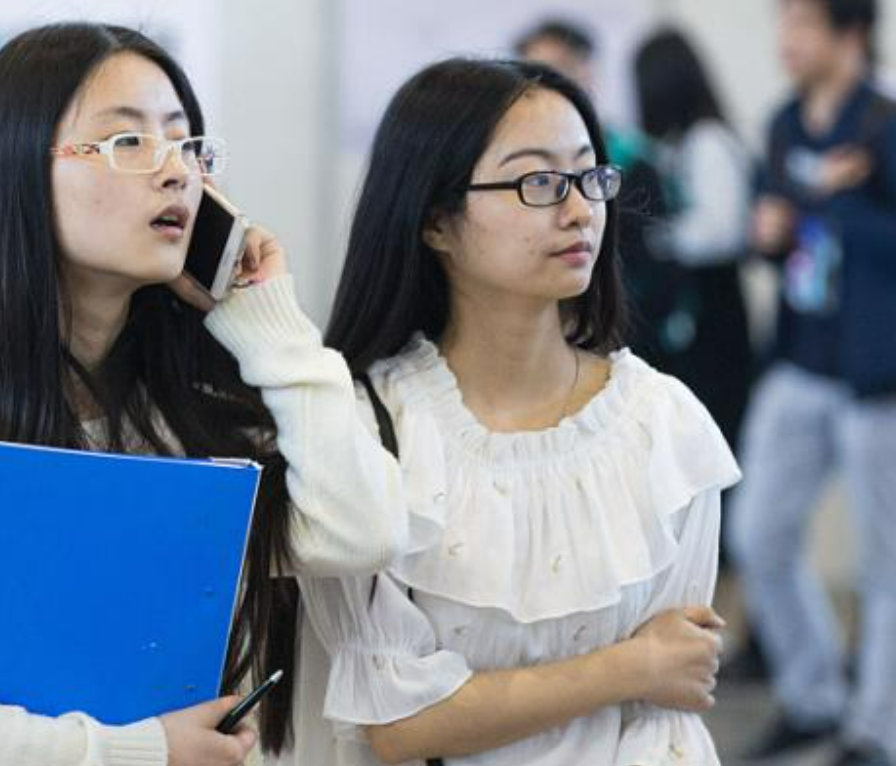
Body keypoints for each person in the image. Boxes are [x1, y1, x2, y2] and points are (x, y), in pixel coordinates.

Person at [0, 22, 409, 766]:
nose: (175, 173)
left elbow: (361, 530)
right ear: (20, 169)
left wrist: (264, 319)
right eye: (129, 141)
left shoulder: (205, 411)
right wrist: (146, 750)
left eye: (186, 145)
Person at [266, 58, 740, 766]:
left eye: (588, 176)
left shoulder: (661, 424)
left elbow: (666, 710)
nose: (579, 211)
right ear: (435, 220)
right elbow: (396, 721)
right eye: (537, 182)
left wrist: (650, 674)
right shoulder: (366, 430)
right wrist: (629, 667)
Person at [730, 1, 896, 764]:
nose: (785, 40)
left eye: (801, 23)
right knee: (756, 532)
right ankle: (813, 696)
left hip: (877, 375)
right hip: (798, 360)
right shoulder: (783, 123)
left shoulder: (884, 123)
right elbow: (781, 233)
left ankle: (876, 730)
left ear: (849, 31)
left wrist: (838, 200)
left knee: (882, 560)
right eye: (782, 23)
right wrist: (767, 236)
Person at [514, 19, 675, 375]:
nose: (579, 211)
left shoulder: (633, 162)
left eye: (558, 70)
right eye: (531, 75)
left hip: (624, 344)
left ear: (587, 72)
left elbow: (656, 275)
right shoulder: (511, 174)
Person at [631, 28, 754, 453]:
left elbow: (723, 232)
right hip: (695, 309)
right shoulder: (672, 145)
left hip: (717, 304)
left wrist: (660, 240)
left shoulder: (709, 141)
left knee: (719, 426)